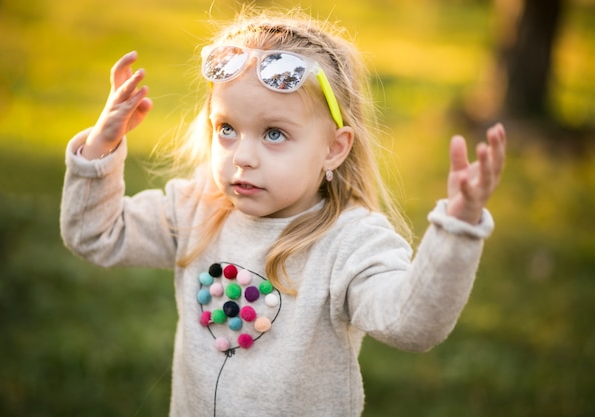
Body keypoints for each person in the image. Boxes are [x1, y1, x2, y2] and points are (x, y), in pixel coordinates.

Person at [60, 9, 506, 417]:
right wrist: (101, 148)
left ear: (334, 148)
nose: (243, 157)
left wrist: (458, 227)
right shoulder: (199, 208)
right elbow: (94, 234)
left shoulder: (350, 241)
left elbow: (412, 324)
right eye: (228, 129)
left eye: (274, 133)